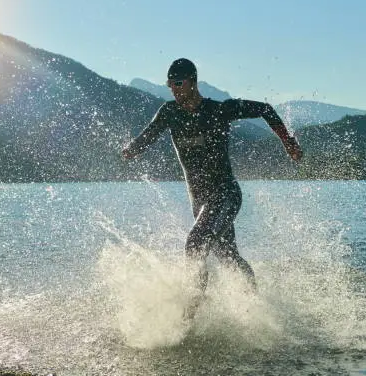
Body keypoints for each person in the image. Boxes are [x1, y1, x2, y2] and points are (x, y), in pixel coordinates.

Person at [122, 58, 302, 315]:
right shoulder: (169, 113)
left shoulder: (219, 110)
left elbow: (265, 109)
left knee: (195, 242)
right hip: (200, 202)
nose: (174, 89)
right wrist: (129, 151)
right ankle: (256, 306)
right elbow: (146, 137)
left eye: (178, 83)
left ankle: (190, 314)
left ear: (193, 82)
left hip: (226, 194)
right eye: (170, 84)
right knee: (228, 257)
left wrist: (289, 143)